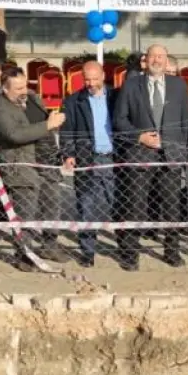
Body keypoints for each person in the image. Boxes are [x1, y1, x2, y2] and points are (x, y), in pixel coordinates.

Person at [114, 44, 188, 269]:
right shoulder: (131, 85)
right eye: (153, 56)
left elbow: (185, 122)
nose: (157, 60)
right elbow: (119, 120)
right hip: (140, 154)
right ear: (145, 60)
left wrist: (181, 151)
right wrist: (139, 137)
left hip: (171, 155)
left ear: (167, 61)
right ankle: (130, 254)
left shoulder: (179, 85)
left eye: (161, 56)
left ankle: (172, 251)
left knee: (172, 207)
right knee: (135, 205)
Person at [0, 67, 70, 264]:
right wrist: (47, 125)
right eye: (17, 88)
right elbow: (15, 134)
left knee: (52, 207)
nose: (23, 91)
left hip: (47, 162)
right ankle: (24, 254)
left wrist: (53, 126)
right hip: (22, 166)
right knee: (26, 213)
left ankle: (49, 245)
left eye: (24, 86)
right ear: (5, 89)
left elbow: (45, 122)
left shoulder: (33, 97)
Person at [59, 61, 116, 266]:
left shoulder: (116, 97)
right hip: (87, 158)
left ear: (103, 76)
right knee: (86, 207)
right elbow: (67, 131)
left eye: (95, 79)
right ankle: (88, 251)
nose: (91, 83)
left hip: (113, 159)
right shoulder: (73, 101)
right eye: (87, 79)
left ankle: (125, 248)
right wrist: (68, 153)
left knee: (118, 204)